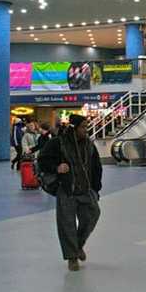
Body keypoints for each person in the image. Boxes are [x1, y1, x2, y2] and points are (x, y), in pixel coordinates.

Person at [37, 114, 102, 272]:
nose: (86, 130)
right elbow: (42, 160)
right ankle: (72, 257)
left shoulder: (89, 144)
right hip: (67, 190)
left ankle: (78, 245)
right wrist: (57, 168)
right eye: (83, 127)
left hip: (86, 189)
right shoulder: (58, 143)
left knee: (92, 215)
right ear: (73, 128)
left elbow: (96, 166)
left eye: (86, 127)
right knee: (67, 224)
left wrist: (96, 188)